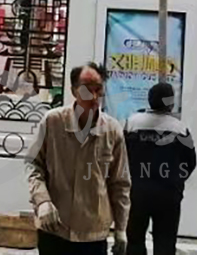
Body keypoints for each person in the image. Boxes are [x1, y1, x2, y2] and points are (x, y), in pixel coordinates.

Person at [26, 62, 131, 255]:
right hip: (54, 229)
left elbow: (120, 183)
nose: (93, 96)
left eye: (98, 90)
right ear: (74, 91)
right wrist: (42, 201)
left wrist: (121, 229)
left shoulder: (112, 130)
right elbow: (33, 165)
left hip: (93, 233)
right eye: (86, 90)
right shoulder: (52, 122)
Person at [123, 83, 196, 255]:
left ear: (149, 100)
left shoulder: (132, 123)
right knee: (165, 241)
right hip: (168, 195)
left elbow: (121, 155)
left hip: (137, 193)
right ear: (170, 103)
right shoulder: (179, 128)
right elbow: (190, 161)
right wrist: (177, 181)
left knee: (134, 239)